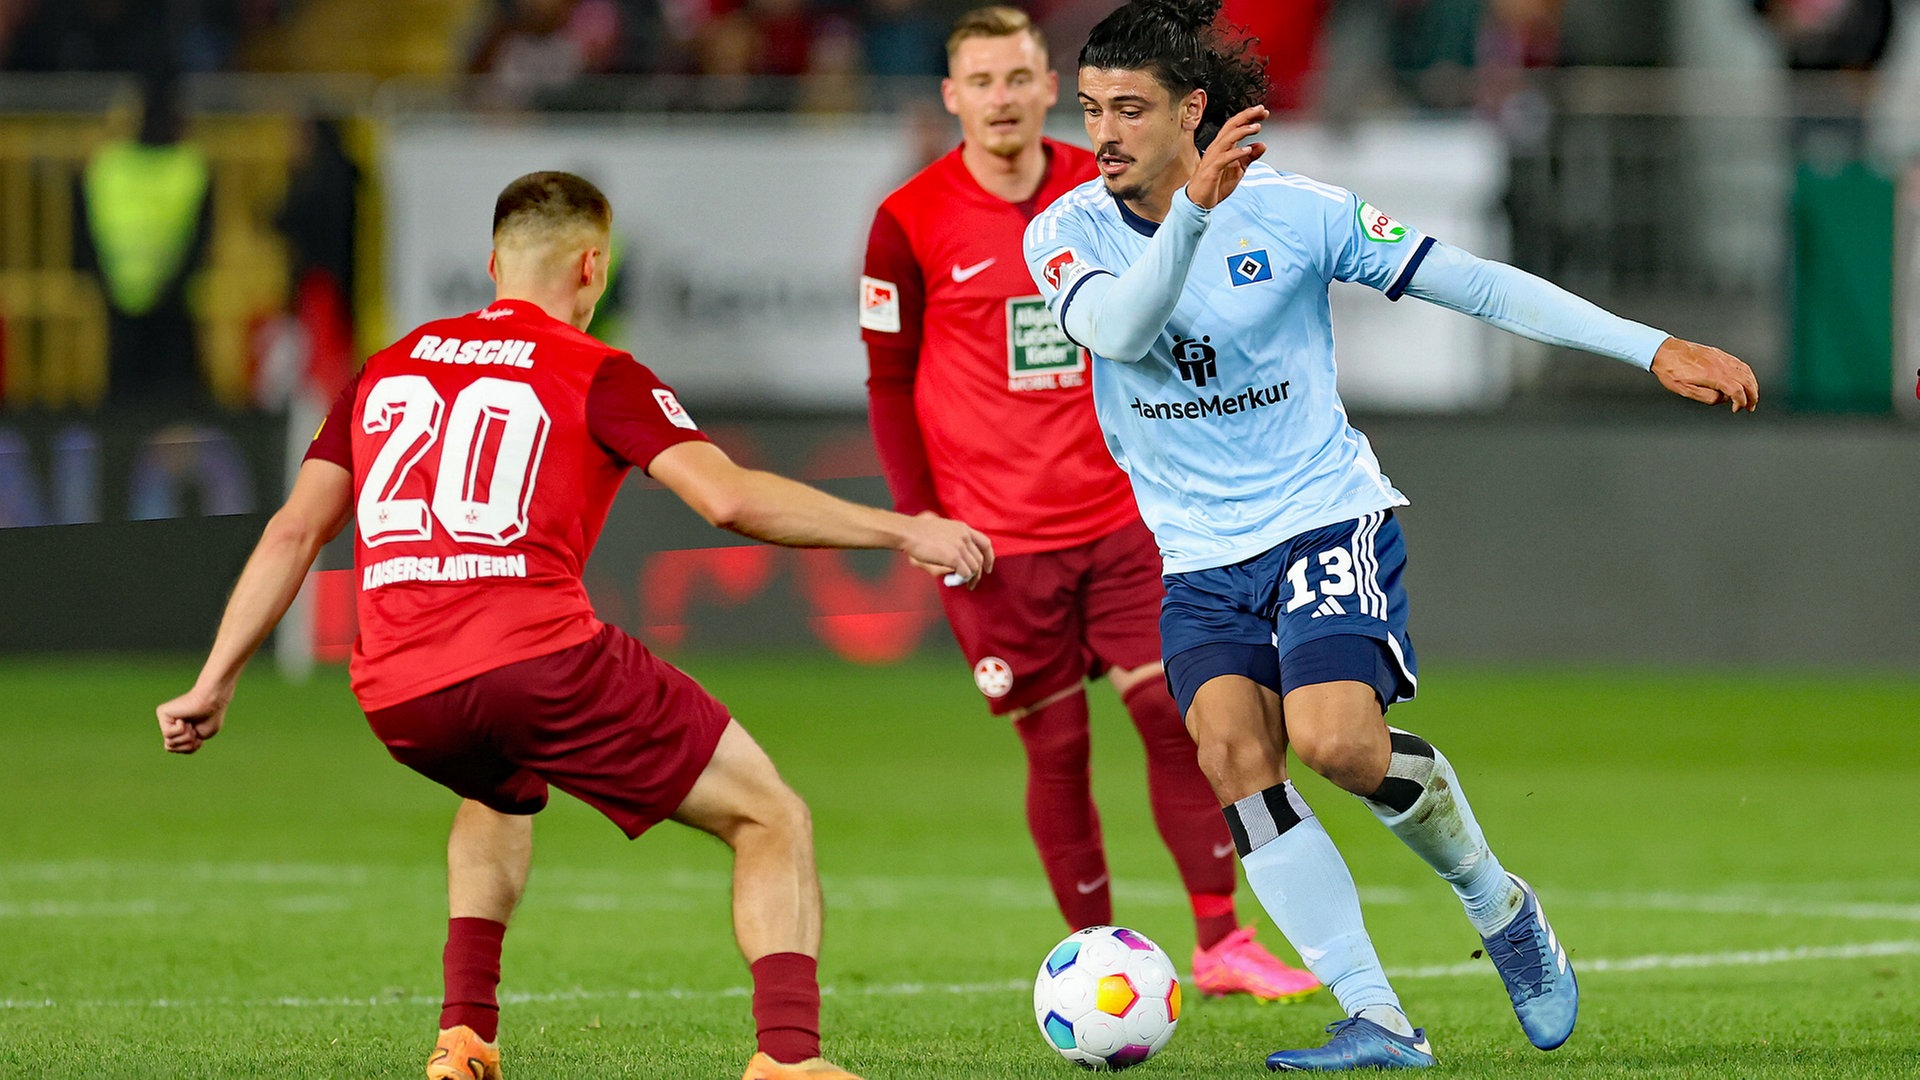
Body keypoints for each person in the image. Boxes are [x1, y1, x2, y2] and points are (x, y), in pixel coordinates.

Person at [1024, 0, 1758, 1070]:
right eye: (1089, 109)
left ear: (1192, 111)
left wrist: (1647, 347)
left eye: (1129, 110)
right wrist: (1187, 215)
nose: (1102, 135)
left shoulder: (1295, 213)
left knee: (1335, 746)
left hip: (1322, 517)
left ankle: (1499, 904)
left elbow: (1475, 283)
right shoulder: (1064, 231)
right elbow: (1119, 328)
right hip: (1197, 555)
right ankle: (1377, 1017)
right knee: (1233, 757)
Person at [155, 171, 994, 1080]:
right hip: (535, 660)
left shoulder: (386, 365)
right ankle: (787, 1059)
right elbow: (729, 499)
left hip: (397, 689)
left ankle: (463, 1036)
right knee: (770, 816)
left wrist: (215, 680)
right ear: (593, 266)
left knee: (498, 787)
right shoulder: (598, 370)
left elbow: (294, 529)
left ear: (492, 264)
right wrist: (905, 527)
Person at [859, 4, 1318, 1003]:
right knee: (1056, 745)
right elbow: (889, 383)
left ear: (1045, 86)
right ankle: (1096, 957)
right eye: (980, 82)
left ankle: (1220, 939)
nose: (1003, 100)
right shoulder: (907, 221)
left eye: (1020, 79)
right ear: (952, 97)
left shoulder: (1099, 188)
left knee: (1175, 714)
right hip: (992, 539)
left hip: (1121, 517)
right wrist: (918, 517)